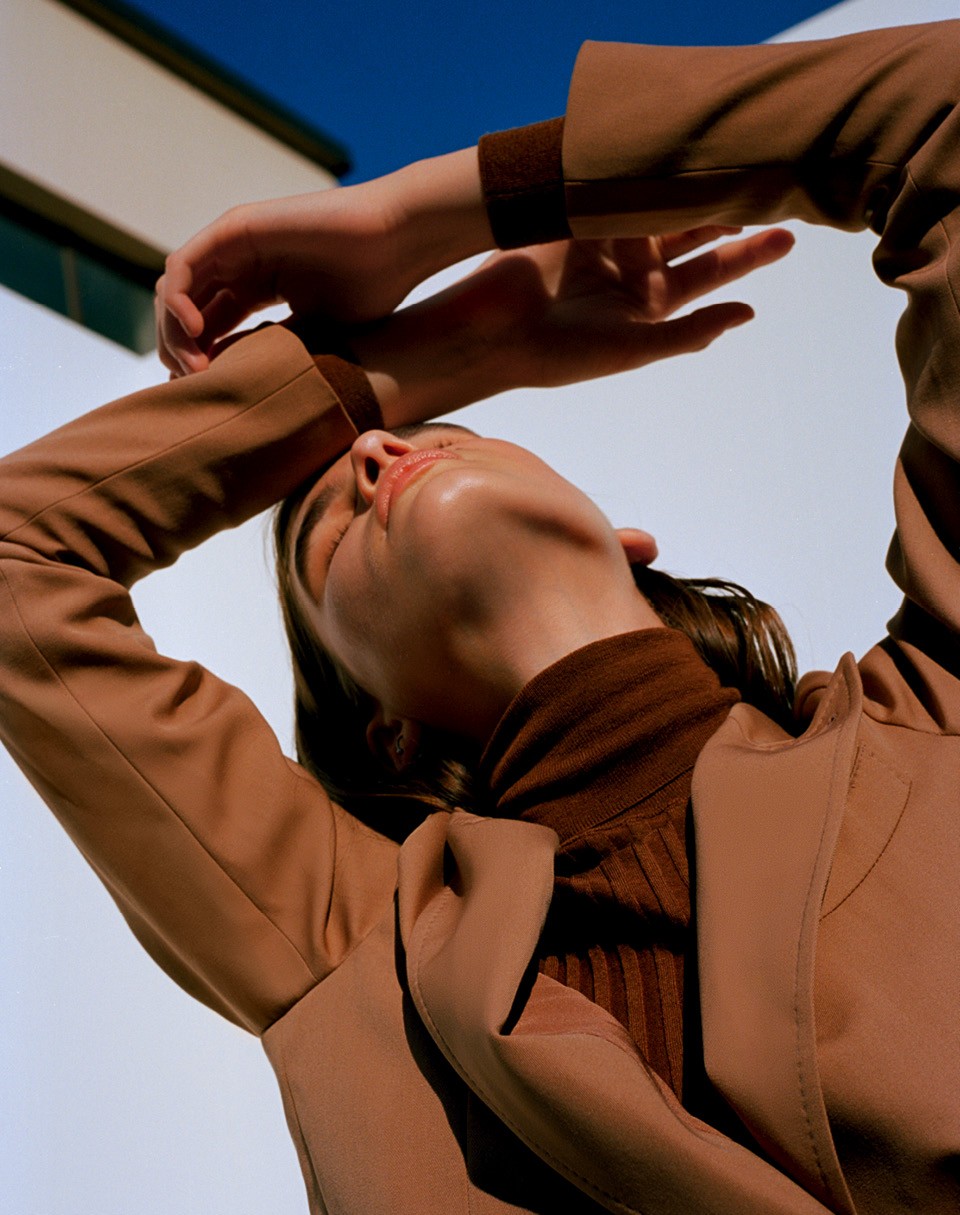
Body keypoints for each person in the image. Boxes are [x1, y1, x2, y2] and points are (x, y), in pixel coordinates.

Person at [3, 18, 959, 1215]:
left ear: (628, 541)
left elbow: (941, 110)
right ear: (385, 726)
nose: (378, 452)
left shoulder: (935, 708)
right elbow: (20, 556)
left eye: (440, 433)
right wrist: (447, 351)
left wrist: (425, 220)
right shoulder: (358, 950)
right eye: (323, 528)